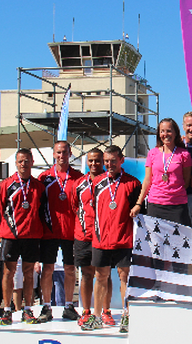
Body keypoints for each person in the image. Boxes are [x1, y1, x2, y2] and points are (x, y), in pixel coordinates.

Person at [82, 146, 141, 333]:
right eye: (106, 161)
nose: (109, 164)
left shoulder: (132, 183)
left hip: (123, 238)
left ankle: (126, 315)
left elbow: (139, 213)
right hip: (101, 239)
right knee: (100, 277)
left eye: (113, 160)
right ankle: (97, 317)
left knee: (125, 277)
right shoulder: (97, 182)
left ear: (121, 160)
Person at [0, 148, 46, 325]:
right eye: (20, 161)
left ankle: (28, 309)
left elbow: (41, 210)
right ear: (15, 163)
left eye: (27, 160)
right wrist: (7, 229)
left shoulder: (39, 186)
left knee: (29, 273)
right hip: (12, 236)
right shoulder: (6, 185)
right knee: (8, 272)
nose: (23, 164)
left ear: (32, 162)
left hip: (31, 236)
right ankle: (7, 310)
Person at [38, 140, 83, 323]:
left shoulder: (78, 177)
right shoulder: (44, 178)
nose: (61, 155)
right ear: (53, 154)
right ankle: (47, 306)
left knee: (70, 269)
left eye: (64, 152)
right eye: (58, 152)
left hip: (70, 231)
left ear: (70, 153)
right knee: (47, 269)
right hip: (49, 231)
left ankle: (68, 305)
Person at [130, 118, 192, 226]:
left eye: (169, 130)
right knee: (156, 241)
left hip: (177, 205)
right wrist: (138, 203)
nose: (165, 134)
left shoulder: (184, 154)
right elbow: (147, 180)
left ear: (175, 133)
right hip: (155, 204)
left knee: (177, 241)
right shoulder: (152, 153)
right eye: (162, 131)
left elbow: (186, 181)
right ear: (159, 134)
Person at [71, 148, 107, 327]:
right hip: (83, 236)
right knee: (86, 274)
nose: (94, 164)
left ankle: (105, 311)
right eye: (91, 161)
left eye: (97, 161)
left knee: (104, 275)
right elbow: (74, 207)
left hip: (104, 236)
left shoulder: (110, 182)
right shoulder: (79, 184)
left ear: (103, 161)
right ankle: (86, 311)